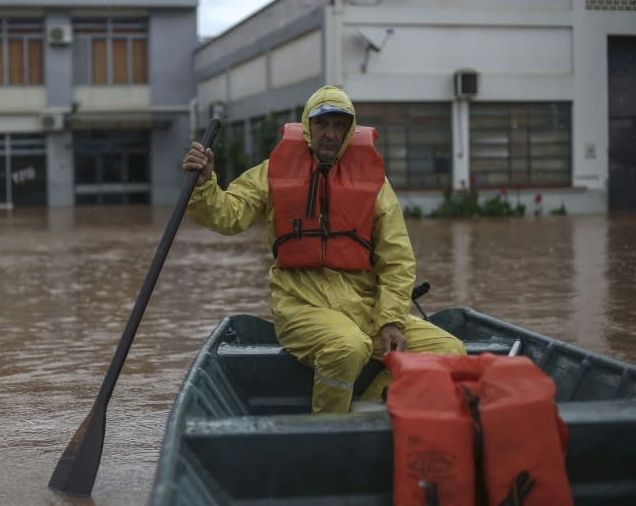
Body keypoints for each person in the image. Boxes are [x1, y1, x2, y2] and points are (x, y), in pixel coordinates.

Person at [182, 85, 465, 413]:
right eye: (322, 124)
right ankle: (328, 429)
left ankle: (372, 413)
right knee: (347, 346)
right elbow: (228, 215)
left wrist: (391, 320)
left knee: (450, 350)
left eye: (339, 125)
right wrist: (204, 185)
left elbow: (397, 259)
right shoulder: (273, 171)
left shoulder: (374, 182)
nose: (330, 134)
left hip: (365, 306)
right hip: (300, 305)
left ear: (349, 129)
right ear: (307, 127)